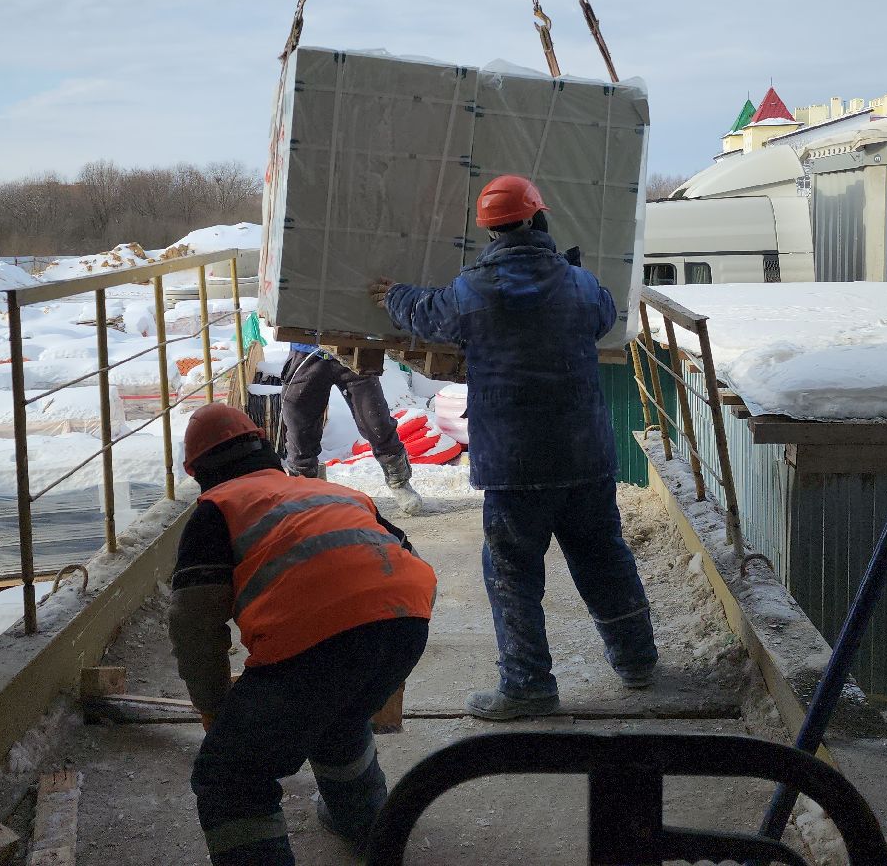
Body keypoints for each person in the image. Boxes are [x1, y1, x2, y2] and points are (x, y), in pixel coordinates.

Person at [368, 174, 657, 721]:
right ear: (538, 220)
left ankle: (527, 684)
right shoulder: (579, 283)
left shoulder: (471, 291)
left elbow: (425, 315)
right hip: (584, 455)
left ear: (490, 232)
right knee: (604, 560)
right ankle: (637, 662)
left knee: (513, 574)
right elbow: (602, 316)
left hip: (515, 464)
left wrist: (394, 295)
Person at [169, 403, 437, 865]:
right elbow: (400, 551)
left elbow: (193, 622)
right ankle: (369, 825)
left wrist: (214, 709)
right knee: (337, 719)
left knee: (230, 776)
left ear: (199, 472)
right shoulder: (328, 491)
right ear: (264, 449)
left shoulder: (218, 509)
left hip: (315, 647)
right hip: (407, 624)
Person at [279, 343, 427, 514]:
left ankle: (399, 482)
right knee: (300, 432)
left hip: (353, 350)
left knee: (376, 422)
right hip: (307, 352)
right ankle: (307, 493)